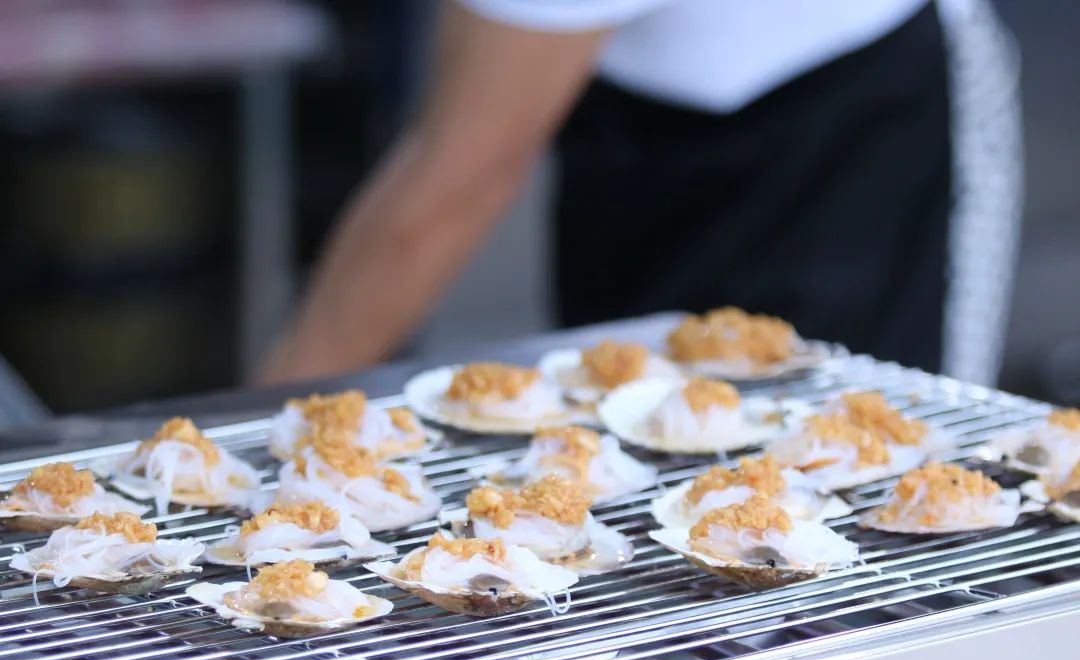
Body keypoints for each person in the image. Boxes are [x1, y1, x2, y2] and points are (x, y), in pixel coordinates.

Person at [259, 0, 956, 384]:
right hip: (630, 112)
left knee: (855, 476)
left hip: (854, 115)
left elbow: (450, 189)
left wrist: (258, 433)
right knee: (628, 430)